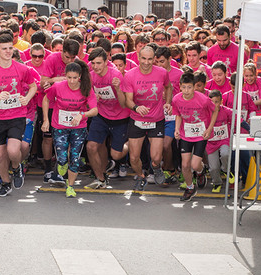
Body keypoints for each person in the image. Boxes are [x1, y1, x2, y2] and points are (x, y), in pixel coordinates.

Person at [0, 32, 39, 197]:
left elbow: (33, 87)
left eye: (10, 48)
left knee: (13, 151)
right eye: (4, 48)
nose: (7, 51)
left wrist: (26, 98)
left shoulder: (22, 68)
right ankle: (5, 183)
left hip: (16, 115)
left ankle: (16, 166)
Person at [42, 61, 98, 198]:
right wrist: (45, 119)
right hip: (60, 126)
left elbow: (95, 110)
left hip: (78, 127)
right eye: (69, 77)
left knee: (75, 158)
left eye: (75, 78)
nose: (72, 81)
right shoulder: (58, 86)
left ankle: (70, 186)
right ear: (65, 76)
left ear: (80, 76)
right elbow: (46, 99)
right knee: (61, 158)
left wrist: (82, 115)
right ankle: (62, 165)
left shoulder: (86, 88)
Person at [121, 44, 172, 191]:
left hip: (156, 120)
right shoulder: (130, 75)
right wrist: (137, 107)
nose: (146, 62)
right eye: (143, 58)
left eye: (150, 59)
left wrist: (168, 102)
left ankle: (156, 169)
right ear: (138, 57)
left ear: (154, 59)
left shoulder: (162, 73)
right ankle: (140, 176)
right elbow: (127, 101)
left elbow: (169, 87)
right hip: (137, 120)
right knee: (133, 158)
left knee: (156, 158)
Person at [84, 47, 131, 187]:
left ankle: (131, 144)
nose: (95, 66)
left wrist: (117, 89)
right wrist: (94, 100)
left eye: (98, 63)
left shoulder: (115, 75)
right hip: (102, 116)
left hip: (120, 118)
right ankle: (101, 179)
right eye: (93, 63)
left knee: (116, 155)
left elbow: (123, 105)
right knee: (91, 146)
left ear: (106, 62)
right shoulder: (91, 76)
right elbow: (89, 100)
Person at [172, 70, 219, 201]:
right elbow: (178, 115)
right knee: (185, 165)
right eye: (184, 87)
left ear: (194, 87)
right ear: (180, 86)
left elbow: (215, 111)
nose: (186, 90)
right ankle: (190, 187)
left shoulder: (203, 99)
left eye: (189, 87)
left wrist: (209, 129)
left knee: (194, 164)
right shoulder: (176, 99)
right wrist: (176, 129)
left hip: (200, 134)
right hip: (186, 134)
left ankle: (201, 170)